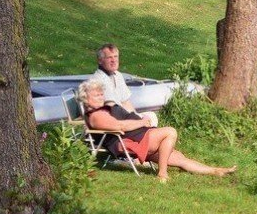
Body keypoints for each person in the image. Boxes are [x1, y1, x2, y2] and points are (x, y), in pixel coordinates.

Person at [75, 78, 234, 182]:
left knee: (178, 157)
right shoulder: (96, 115)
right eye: (96, 95)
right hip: (129, 141)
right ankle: (162, 174)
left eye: (101, 94)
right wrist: (142, 121)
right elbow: (121, 127)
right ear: (85, 98)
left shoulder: (104, 108)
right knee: (170, 132)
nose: (100, 97)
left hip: (140, 135)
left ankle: (216, 171)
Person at [89, 44, 156, 125]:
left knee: (151, 116)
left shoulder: (118, 75)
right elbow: (111, 108)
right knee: (152, 124)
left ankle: (147, 133)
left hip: (123, 116)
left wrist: (137, 116)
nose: (113, 60)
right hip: (114, 121)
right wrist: (137, 121)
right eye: (109, 57)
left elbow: (125, 102)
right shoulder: (97, 80)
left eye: (116, 56)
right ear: (100, 61)